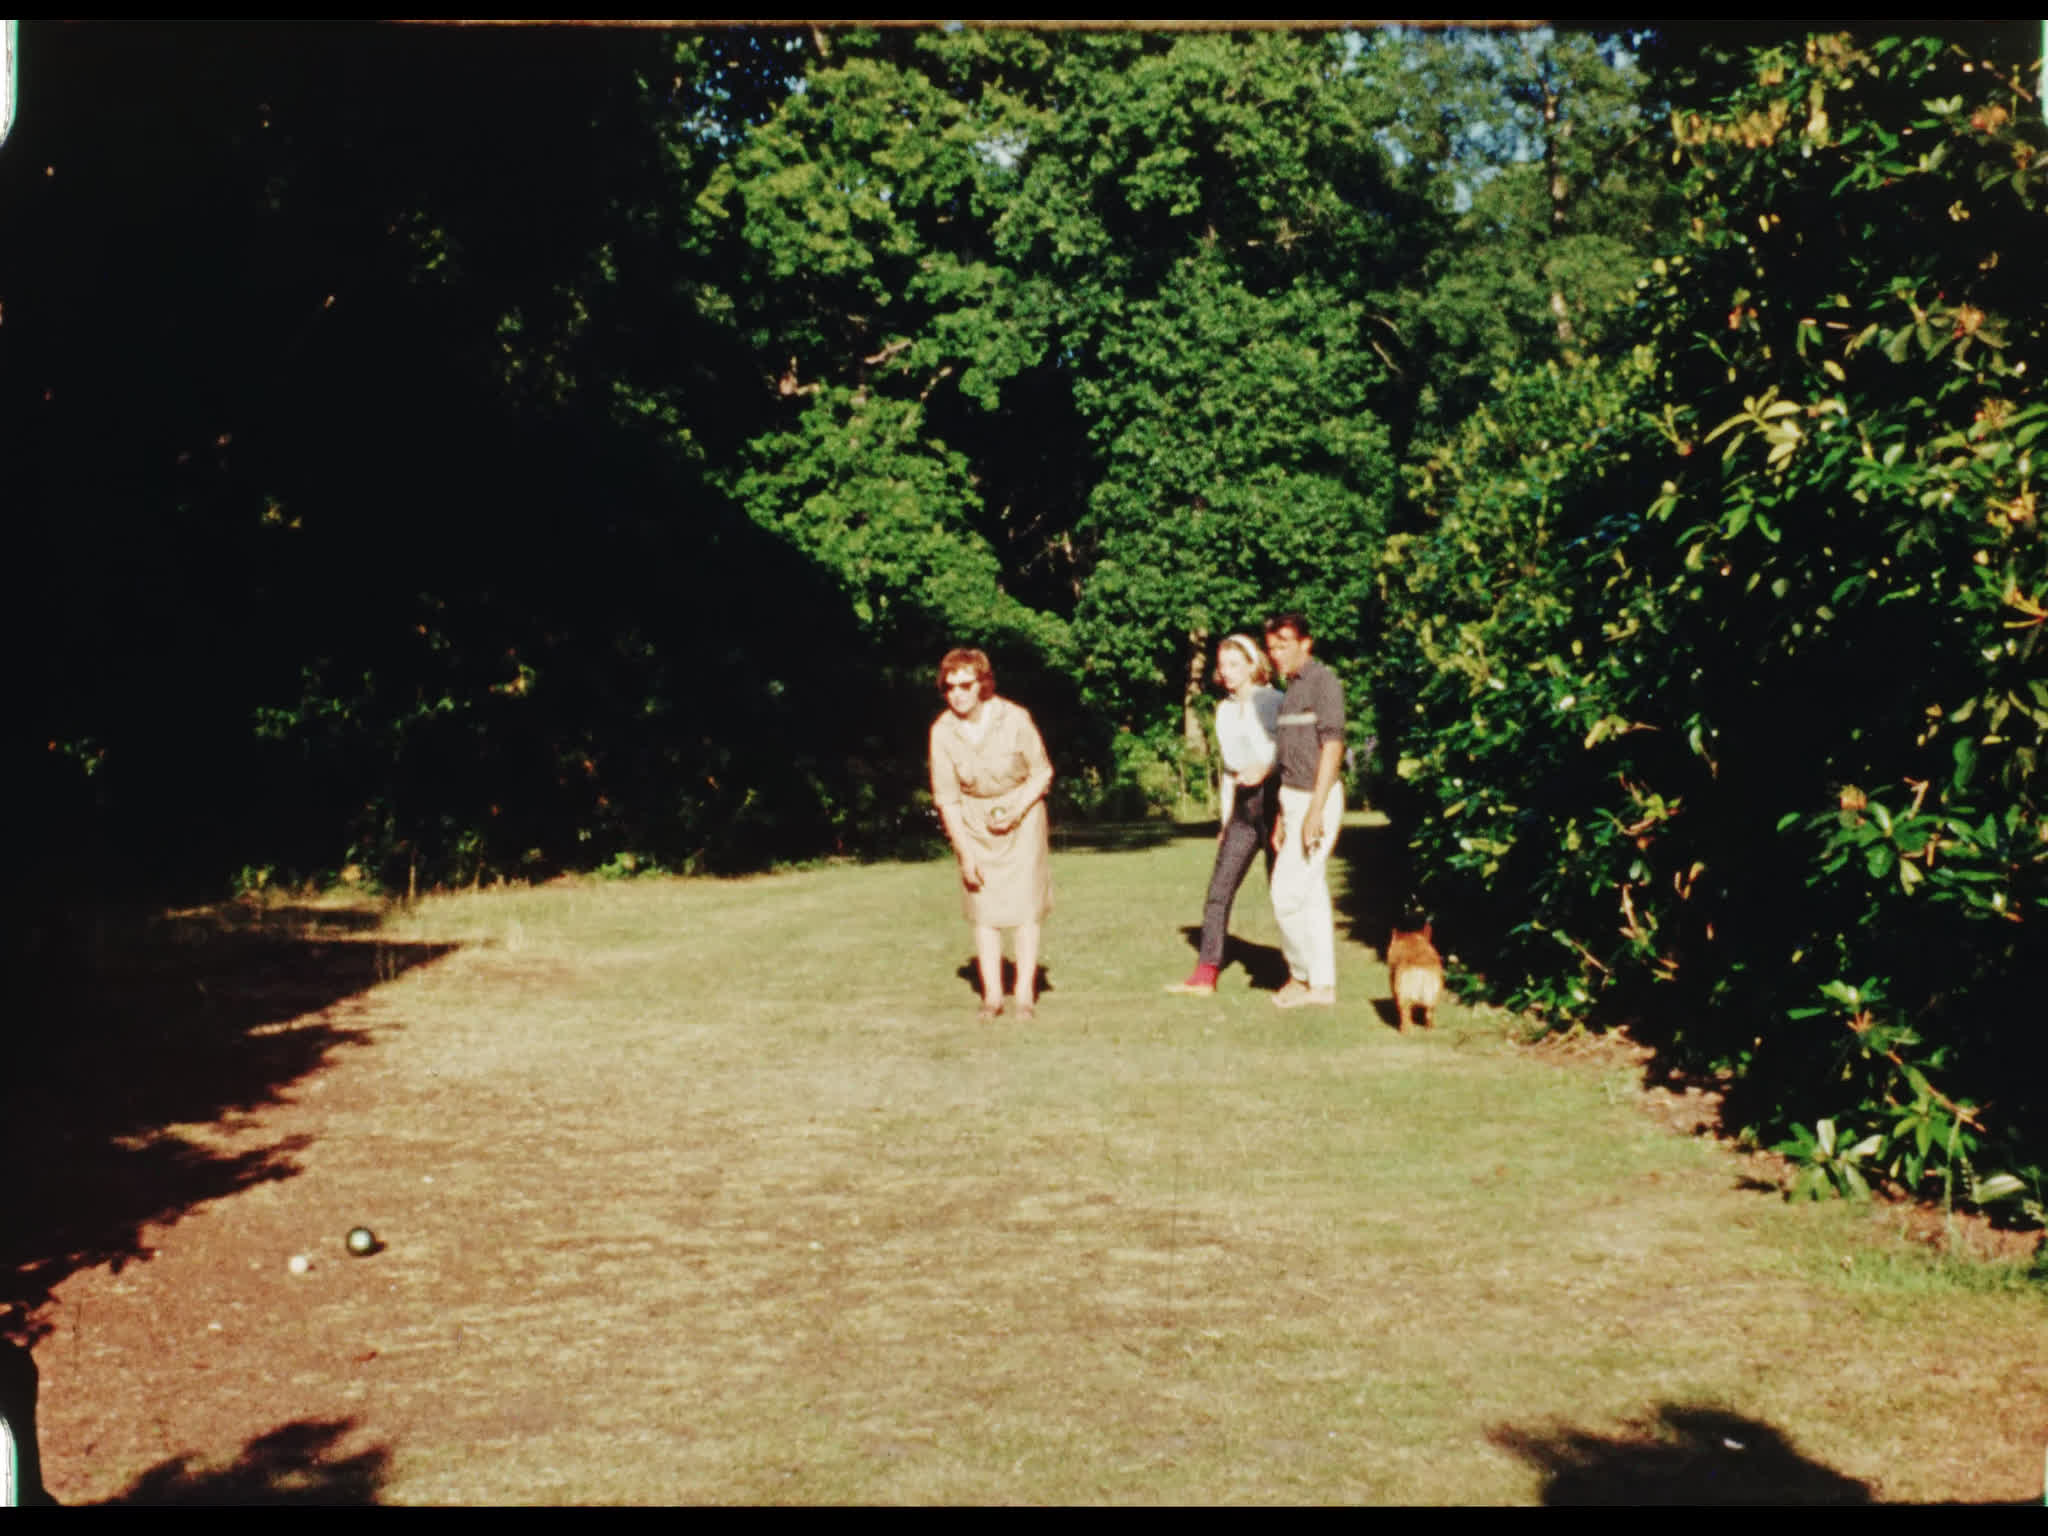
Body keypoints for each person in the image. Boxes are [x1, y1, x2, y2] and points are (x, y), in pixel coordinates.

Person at [928, 647, 1054, 1020]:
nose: (957, 695)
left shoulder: (1015, 718)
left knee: (1025, 908)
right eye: (949, 688)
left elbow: (1042, 773)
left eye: (965, 686)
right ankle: (993, 997)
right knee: (983, 910)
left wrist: (1015, 811)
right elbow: (947, 799)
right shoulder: (942, 731)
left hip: (1023, 812)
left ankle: (1025, 995)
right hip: (973, 821)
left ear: (983, 684)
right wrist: (965, 854)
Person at [1166, 634, 1282, 996]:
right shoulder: (1224, 711)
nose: (1226, 672)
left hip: (1277, 802)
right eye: (1222, 665)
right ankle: (1205, 973)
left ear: (1252, 665)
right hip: (1244, 809)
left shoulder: (1276, 701)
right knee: (1219, 890)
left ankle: (1300, 974)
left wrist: (1266, 768)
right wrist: (1226, 819)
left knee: (1285, 893)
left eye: (1234, 664)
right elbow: (1230, 770)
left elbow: (1292, 753)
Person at [1264, 612, 1346, 1008]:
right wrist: (1283, 813)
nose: (1276, 653)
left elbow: (1332, 746)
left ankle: (1301, 976)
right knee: (1311, 895)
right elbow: (1290, 757)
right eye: (1272, 646)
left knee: (1285, 894)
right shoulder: (1289, 690)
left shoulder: (1323, 681)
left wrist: (1315, 809)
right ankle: (1322, 987)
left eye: (1283, 644)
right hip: (1292, 800)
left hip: (1319, 798)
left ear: (1306, 643)